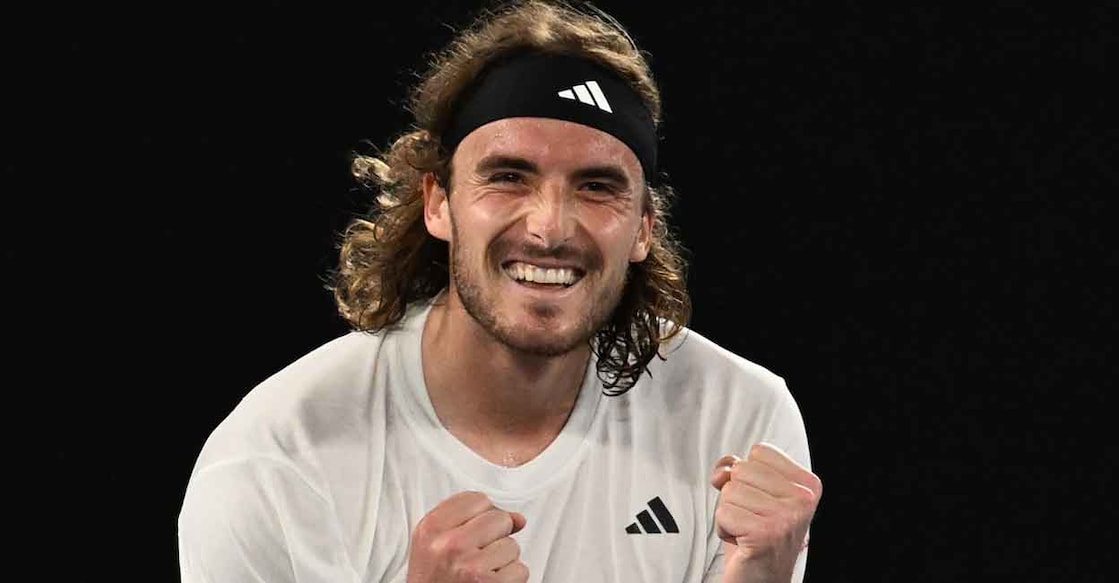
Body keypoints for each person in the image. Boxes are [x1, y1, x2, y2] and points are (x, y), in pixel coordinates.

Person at [176, 0, 822, 581]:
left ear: (643, 229)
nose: (549, 227)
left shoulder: (738, 421)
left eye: (597, 186)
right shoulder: (275, 459)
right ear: (438, 203)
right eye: (509, 176)